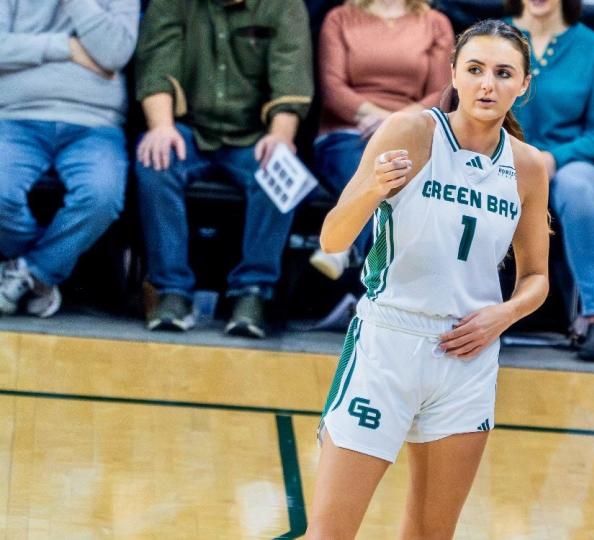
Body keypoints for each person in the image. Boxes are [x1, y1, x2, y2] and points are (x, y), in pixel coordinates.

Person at [305, 20, 550, 539]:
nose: (488, 84)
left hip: (468, 357)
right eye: (476, 69)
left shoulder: (528, 168)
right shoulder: (411, 131)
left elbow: (536, 279)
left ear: (523, 84)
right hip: (388, 347)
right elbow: (331, 237)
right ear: (454, 73)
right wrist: (373, 188)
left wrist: (503, 315)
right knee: (329, 533)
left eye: (504, 73)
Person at [134, 0, 314, 338]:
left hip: (252, 136)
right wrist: (161, 126)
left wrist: (280, 136)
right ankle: (172, 290)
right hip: (188, 129)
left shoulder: (285, 5)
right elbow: (157, 67)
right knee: (154, 160)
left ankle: (253, 292)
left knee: (282, 169)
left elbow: (291, 78)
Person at [0, 0, 139, 318]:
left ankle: (30, 274)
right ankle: (37, 278)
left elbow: (115, 52)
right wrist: (67, 47)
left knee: (101, 196)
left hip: (95, 125)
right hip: (15, 118)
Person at [503, 0, 594, 362]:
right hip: (501, 159)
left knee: (578, 189)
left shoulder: (593, 47)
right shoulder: (496, 37)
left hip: (570, 165)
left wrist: (552, 159)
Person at [308, 0, 454, 281]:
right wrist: (379, 116)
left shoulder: (435, 23)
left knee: (402, 168)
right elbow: (333, 88)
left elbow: (441, 93)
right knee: (369, 168)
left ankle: (343, 244)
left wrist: (394, 122)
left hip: (410, 131)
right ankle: (349, 248)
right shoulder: (340, 18)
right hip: (348, 131)